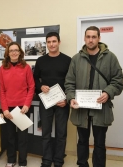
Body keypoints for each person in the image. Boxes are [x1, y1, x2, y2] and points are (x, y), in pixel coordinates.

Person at [64, 26, 123, 167]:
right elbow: (69, 82)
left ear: (99, 38)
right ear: (84, 38)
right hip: (81, 110)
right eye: (88, 37)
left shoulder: (110, 57)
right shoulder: (76, 59)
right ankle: (82, 164)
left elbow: (118, 80)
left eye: (94, 37)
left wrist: (108, 93)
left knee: (99, 143)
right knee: (82, 142)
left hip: (101, 110)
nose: (90, 40)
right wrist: (71, 97)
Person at [33, 32, 71, 167]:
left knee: (61, 133)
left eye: (54, 41)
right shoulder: (41, 60)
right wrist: (40, 86)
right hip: (46, 101)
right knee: (46, 132)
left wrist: (67, 98)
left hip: (62, 102)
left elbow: (72, 82)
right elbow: (34, 79)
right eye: (48, 42)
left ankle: (59, 160)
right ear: (46, 44)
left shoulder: (67, 60)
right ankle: (47, 160)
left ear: (59, 42)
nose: (51, 44)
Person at [0, 42, 35, 167]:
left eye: (16, 50)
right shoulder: (3, 68)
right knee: (10, 137)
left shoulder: (26, 67)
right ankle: (11, 160)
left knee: (22, 138)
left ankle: (23, 162)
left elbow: (31, 87)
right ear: (7, 53)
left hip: (22, 108)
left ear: (20, 52)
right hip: (8, 108)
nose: (14, 52)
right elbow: (2, 90)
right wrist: (4, 109)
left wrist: (27, 104)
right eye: (11, 50)